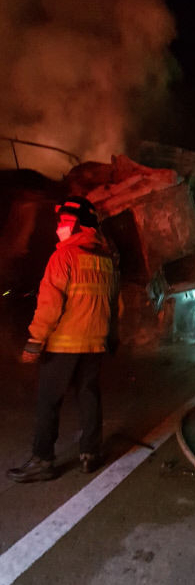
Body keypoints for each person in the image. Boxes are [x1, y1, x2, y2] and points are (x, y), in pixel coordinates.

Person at [7, 196, 120, 483]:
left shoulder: (64, 257)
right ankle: (90, 454)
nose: (60, 227)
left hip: (63, 346)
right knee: (89, 396)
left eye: (65, 222)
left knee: (48, 401)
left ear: (79, 225)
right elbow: (113, 305)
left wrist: (35, 341)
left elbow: (49, 305)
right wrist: (111, 336)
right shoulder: (105, 260)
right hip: (94, 344)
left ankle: (43, 460)